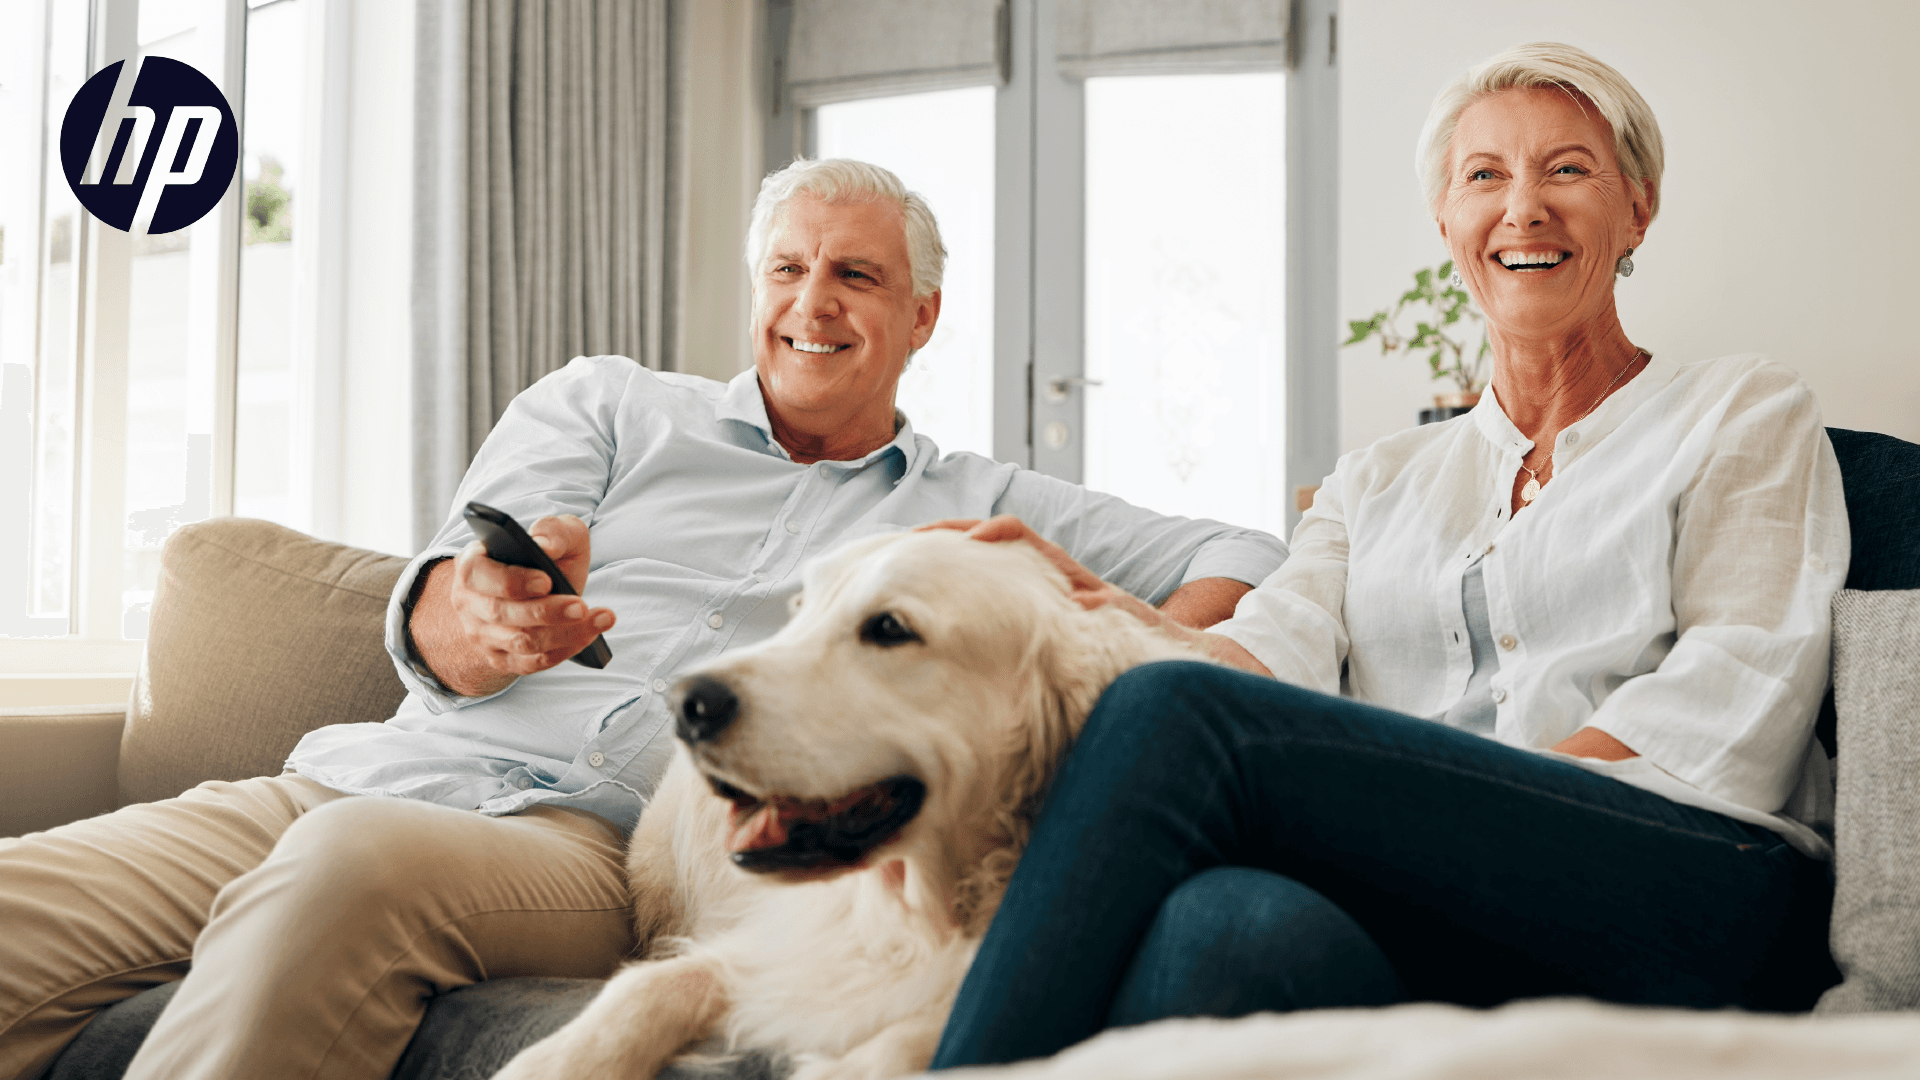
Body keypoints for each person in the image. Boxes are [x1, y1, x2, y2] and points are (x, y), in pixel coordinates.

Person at [0, 158, 1285, 1080]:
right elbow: (461, 593)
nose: (812, 303)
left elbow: (1249, 557)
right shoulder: (611, 407)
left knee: (350, 871)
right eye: (787, 269)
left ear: (921, 316)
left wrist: (1060, 601)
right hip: (361, 775)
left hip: (584, 841)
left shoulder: (978, 503)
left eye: (855, 276)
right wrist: (478, 609)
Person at [929, 42, 1848, 1069]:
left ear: (1638, 209)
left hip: (1696, 886)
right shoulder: (1374, 481)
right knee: (1225, 931)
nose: (1524, 208)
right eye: (1484, 176)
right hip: (1448, 911)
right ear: (1447, 222)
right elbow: (1255, 662)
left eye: (1568, 170)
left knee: (1170, 723)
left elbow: (1737, 697)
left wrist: (1427, 809)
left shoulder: (1742, 410)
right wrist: (1083, 605)